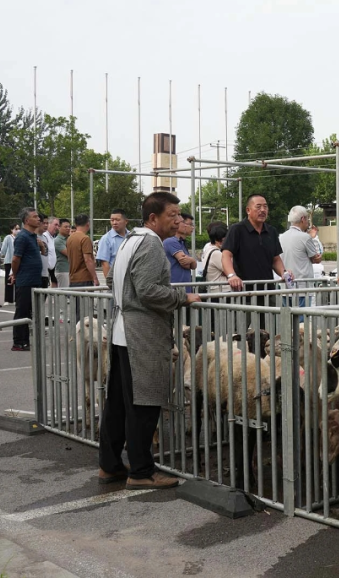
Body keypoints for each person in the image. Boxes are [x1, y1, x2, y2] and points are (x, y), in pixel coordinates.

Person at [98, 191, 200, 490]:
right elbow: (147, 290)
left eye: (179, 215)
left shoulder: (130, 241)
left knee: (118, 404)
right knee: (144, 404)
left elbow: (114, 281)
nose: (178, 220)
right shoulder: (151, 244)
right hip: (139, 335)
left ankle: (109, 465)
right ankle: (141, 471)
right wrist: (182, 297)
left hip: (122, 331)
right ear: (153, 218)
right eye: (173, 215)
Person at [221, 194, 290, 291]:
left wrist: (284, 273)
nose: (262, 210)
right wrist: (232, 275)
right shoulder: (237, 229)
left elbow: (276, 259)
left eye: (265, 206)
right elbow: (226, 255)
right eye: (258, 207)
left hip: (268, 290)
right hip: (244, 291)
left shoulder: (271, 231)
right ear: (248, 210)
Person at [10, 208, 44, 351]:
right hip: (25, 280)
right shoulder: (22, 237)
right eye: (35, 217)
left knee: (30, 311)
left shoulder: (32, 236)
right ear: (26, 220)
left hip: (34, 279)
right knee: (22, 311)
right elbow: (16, 258)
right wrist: (15, 274)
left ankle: (26, 339)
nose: (38, 219)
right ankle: (19, 342)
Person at [279, 205, 324, 290]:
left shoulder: (281, 237)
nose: (308, 222)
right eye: (307, 219)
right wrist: (314, 238)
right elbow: (316, 258)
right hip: (302, 287)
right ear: (303, 219)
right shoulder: (305, 237)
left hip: (285, 286)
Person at [163, 212, 196, 291]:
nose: (192, 228)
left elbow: (193, 266)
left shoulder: (181, 242)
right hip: (175, 290)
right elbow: (185, 264)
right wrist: (192, 261)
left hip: (184, 290)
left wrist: (192, 261)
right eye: (190, 224)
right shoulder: (171, 241)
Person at [67, 215, 99, 288]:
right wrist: (95, 277)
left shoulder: (70, 238)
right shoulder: (85, 239)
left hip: (73, 278)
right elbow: (88, 260)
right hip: (84, 278)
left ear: (75, 224)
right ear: (88, 224)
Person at [96, 209, 130, 279]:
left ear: (126, 221)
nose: (114, 223)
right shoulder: (106, 239)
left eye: (117, 220)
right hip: (116, 279)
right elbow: (105, 264)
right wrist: (110, 283)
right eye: (112, 220)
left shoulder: (132, 236)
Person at [1, 222, 19, 305]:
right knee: (8, 280)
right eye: (16, 229)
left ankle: (17, 299)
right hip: (9, 261)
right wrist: (3, 254)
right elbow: (3, 249)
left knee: (17, 280)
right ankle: (8, 299)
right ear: (11, 230)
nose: (18, 230)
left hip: (18, 261)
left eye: (19, 229)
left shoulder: (20, 237)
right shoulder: (8, 238)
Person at [41, 216, 59, 288]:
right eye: (55, 225)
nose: (57, 227)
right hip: (44, 271)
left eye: (58, 225)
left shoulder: (52, 238)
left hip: (50, 270)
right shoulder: (44, 237)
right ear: (49, 224)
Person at [54, 218, 71, 288]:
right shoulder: (58, 240)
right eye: (65, 227)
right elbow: (69, 253)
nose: (68, 228)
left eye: (69, 227)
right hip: (63, 271)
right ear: (59, 227)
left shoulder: (69, 239)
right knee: (64, 295)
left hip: (69, 270)